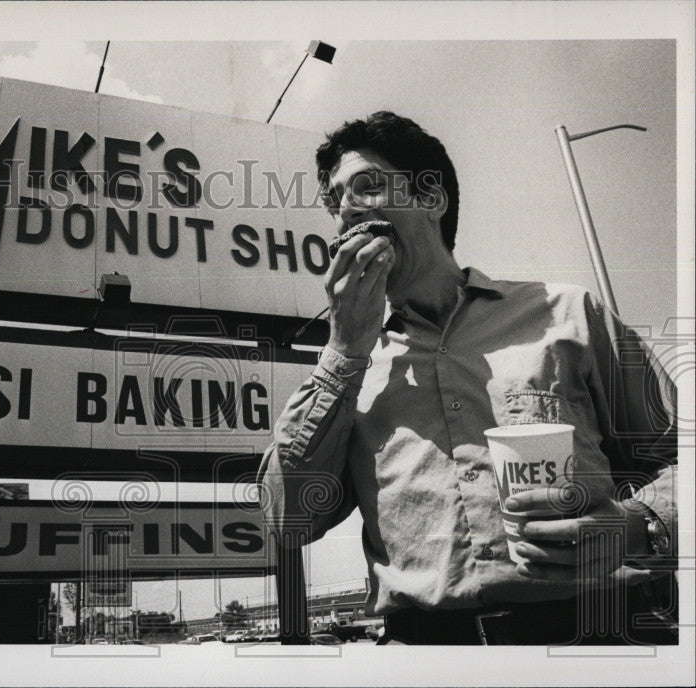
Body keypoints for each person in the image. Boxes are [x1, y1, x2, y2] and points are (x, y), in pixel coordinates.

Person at [258, 111, 677, 645]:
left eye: (366, 185)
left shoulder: (567, 313)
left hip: (601, 638)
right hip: (428, 656)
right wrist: (343, 350)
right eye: (335, 202)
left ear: (431, 199)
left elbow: (679, 453)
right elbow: (286, 519)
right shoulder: (348, 370)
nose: (345, 211)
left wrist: (635, 525)